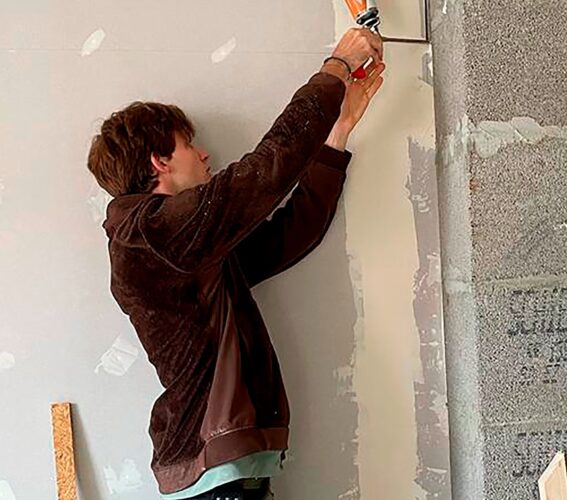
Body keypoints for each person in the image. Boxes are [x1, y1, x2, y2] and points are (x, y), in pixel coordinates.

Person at [86, 28, 385, 499]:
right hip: (214, 475)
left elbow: (287, 237)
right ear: (159, 160)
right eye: (189, 145)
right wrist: (337, 67)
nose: (204, 154)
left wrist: (337, 133)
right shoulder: (150, 235)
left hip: (223, 474)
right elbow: (266, 170)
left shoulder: (184, 247)